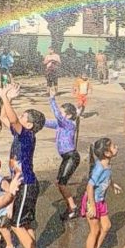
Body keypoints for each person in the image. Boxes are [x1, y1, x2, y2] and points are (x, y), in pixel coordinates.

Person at [0, 83, 47, 248]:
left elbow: (11, 117)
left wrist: (5, 98)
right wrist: (7, 99)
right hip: (23, 183)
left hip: (26, 184)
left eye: (23, 116)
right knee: (25, 224)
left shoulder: (27, 135)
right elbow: (4, 117)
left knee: (17, 224)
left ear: (29, 124)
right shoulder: (21, 134)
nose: (18, 117)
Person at [82, 138, 121, 248]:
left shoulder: (107, 164)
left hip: (100, 201)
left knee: (106, 226)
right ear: (107, 153)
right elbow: (89, 186)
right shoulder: (99, 168)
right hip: (91, 202)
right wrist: (91, 205)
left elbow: (107, 177)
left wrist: (113, 184)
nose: (117, 147)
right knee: (94, 230)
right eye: (114, 146)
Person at [45, 88, 80, 219]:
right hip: (66, 157)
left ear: (69, 115)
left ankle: (73, 208)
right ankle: (70, 206)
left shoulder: (70, 124)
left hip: (72, 157)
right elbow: (46, 122)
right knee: (59, 183)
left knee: (62, 183)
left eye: (62, 112)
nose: (59, 114)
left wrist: (52, 99)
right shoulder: (60, 125)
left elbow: (58, 117)